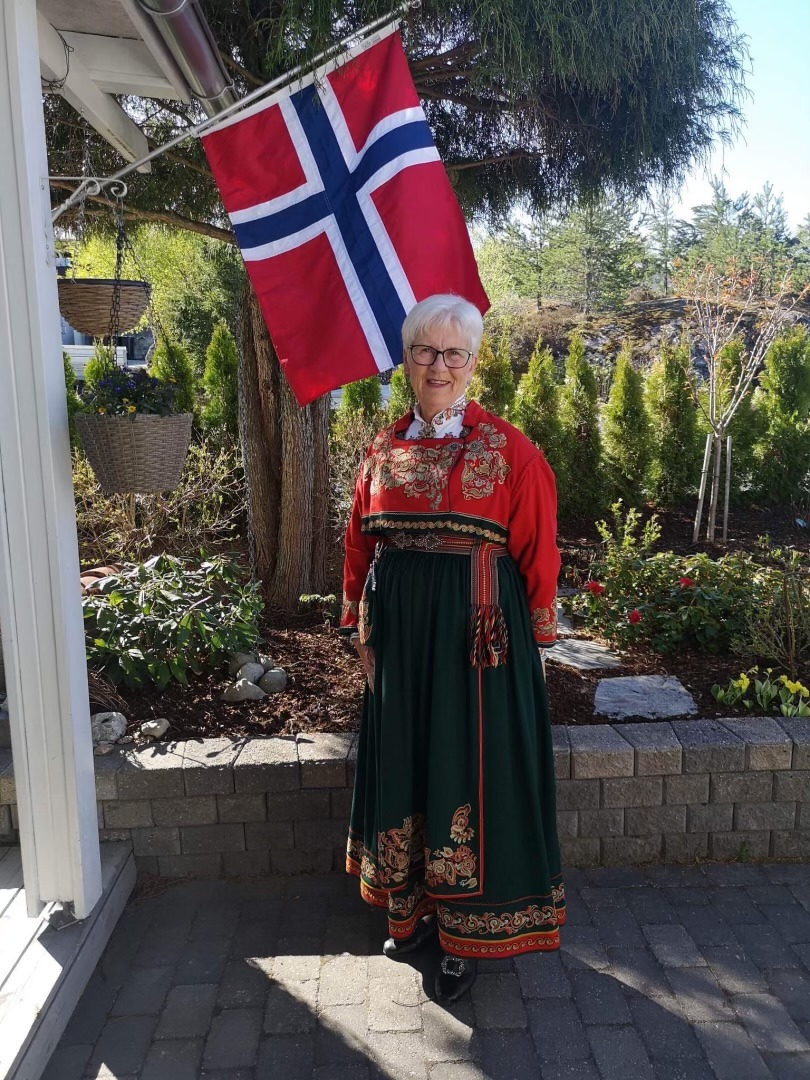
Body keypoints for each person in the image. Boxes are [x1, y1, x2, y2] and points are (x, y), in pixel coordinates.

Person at [339, 294, 564, 1003]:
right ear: (407, 360)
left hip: (478, 651)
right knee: (408, 761)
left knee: (467, 774)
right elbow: (358, 545)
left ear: (473, 361)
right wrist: (358, 628)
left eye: (453, 353)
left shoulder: (512, 451)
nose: (439, 366)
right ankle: (409, 917)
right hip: (400, 646)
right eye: (424, 352)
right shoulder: (381, 449)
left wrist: (534, 649)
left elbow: (538, 551)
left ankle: (470, 933)